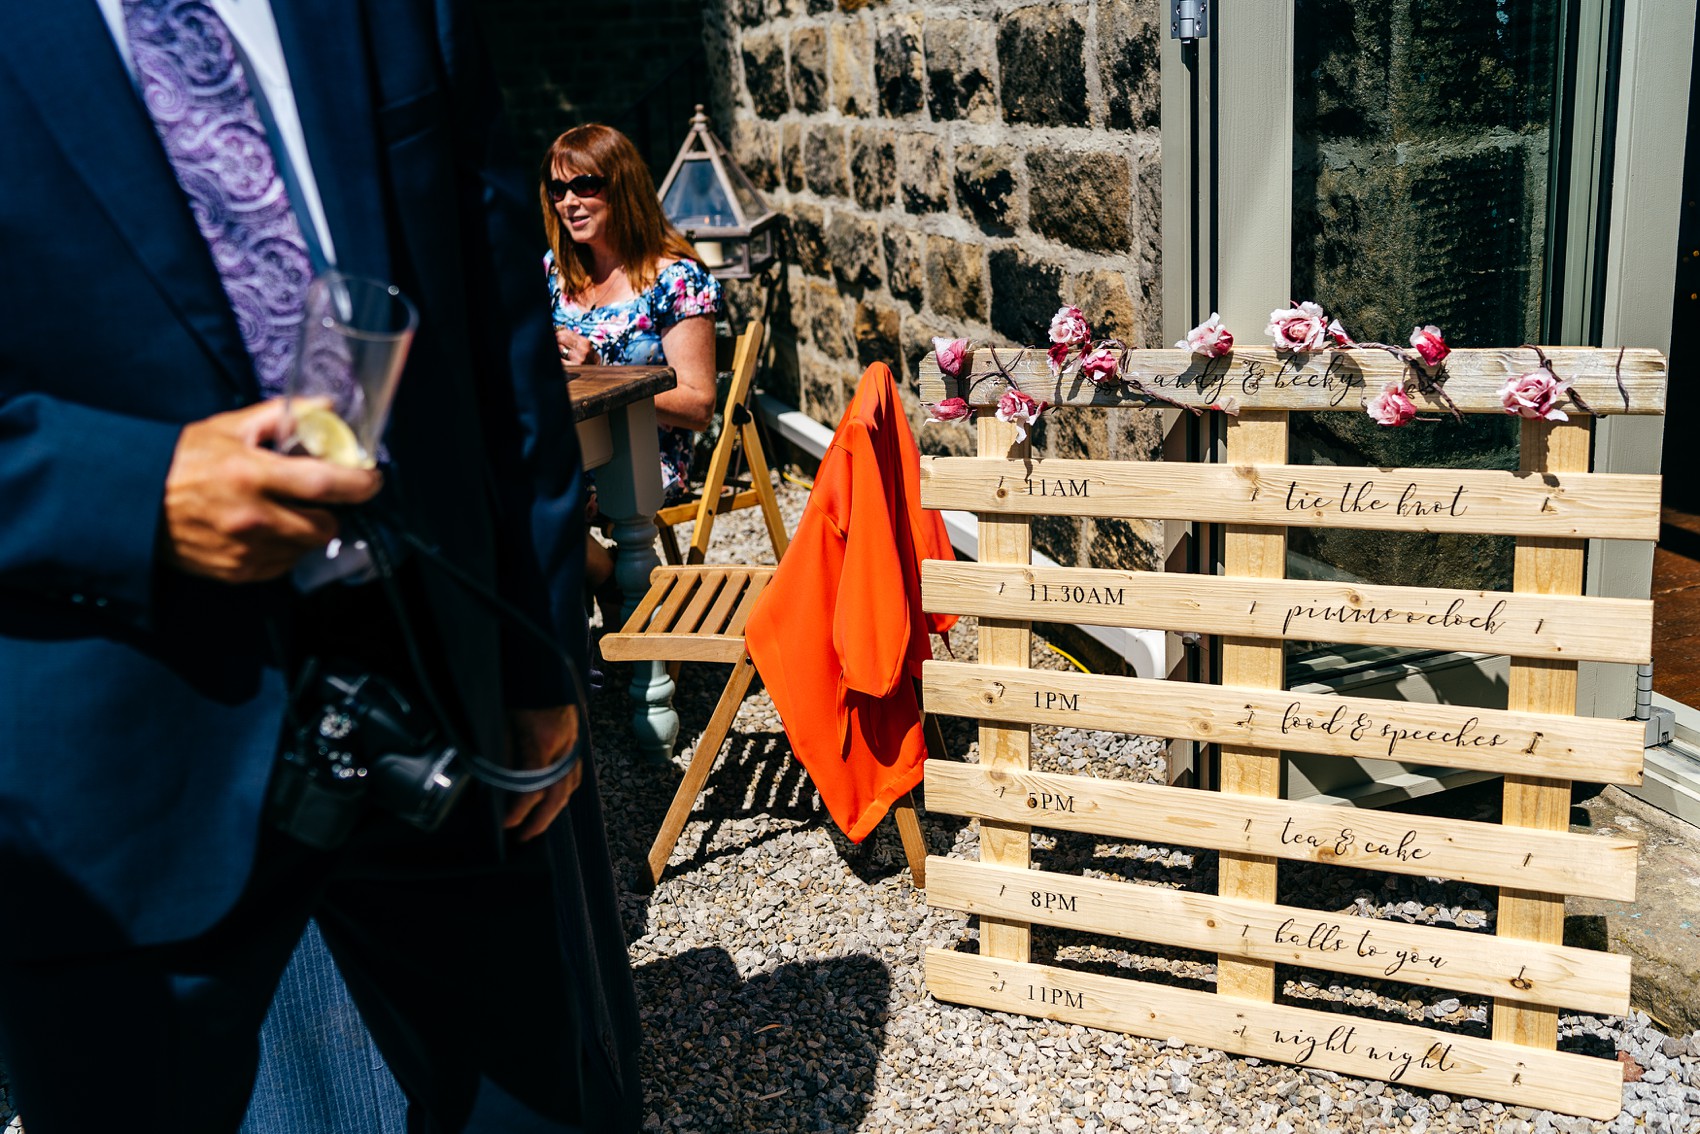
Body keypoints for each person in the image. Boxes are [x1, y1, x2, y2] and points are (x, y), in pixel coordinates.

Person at [0, 3, 636, 1131]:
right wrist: (120, 494)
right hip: (116, 739)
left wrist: (541, 664)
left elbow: (500, 335)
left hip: (439, 688)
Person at [539, 125, 723, 600]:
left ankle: (606, 584)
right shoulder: (555, 273)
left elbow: (700, 405)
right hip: (567, 442)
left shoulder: (675, 279)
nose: (569, 202)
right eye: (558, 189)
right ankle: (600, 594)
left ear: (622, 185)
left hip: (641, 454)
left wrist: (601, 369)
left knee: (528, 502)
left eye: (585, 185)